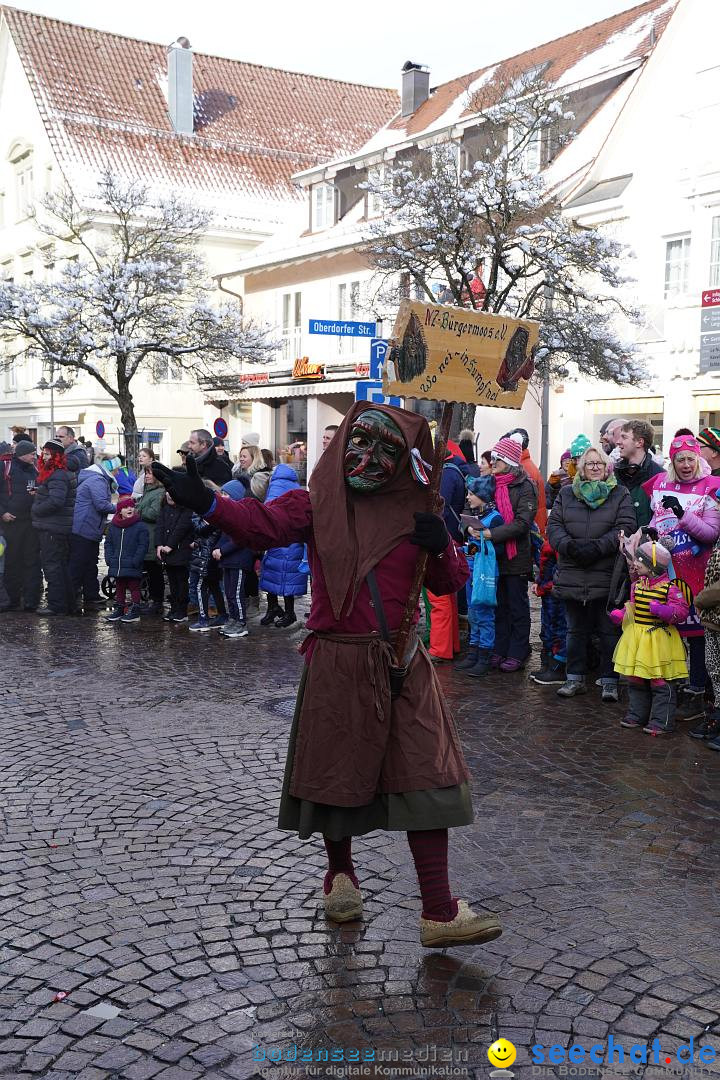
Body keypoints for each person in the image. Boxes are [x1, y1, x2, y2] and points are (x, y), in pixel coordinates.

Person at [152, 403, 502, 949]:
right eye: (360, 443)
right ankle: (340, 875)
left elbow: (447, 583)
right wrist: (205, 499)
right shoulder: (316, 503)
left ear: (404, 459)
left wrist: (442, 544)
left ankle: (439, 910)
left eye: (387, 449)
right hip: (338, 659)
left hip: (402, 660)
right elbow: (261, 526)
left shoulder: (422, 508)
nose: (370, 457)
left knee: (426, 775)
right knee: (338, 774)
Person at [546, 445, 636, 700]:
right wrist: (571, 546)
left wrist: (598, 548)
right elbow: (554, 527)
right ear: (581, 468)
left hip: (606, 572)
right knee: (575, 631)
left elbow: (626, 526)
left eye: (599, 463)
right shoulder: (566, 493)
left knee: (608, 631)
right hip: (573, 570)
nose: (595, 467)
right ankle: (574, 678)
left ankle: (609, 680)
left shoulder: (620, 493)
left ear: (607, 467)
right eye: (589, 463)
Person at [643, 433, 720, 722]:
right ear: (673, 462)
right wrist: (651, 532)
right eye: (680, 460)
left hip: (698, 573)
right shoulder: (661, 484)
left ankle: (698, 691)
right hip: (667, 572)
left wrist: (681, 514)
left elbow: (712, 533)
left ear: (698, 459)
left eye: (690, 458)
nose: (686, 464)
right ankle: (672, 685)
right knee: (670, 630)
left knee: (698, 637)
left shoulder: (711, 488)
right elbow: (656, 521)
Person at [610, 534, 689, 734]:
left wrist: (664, 611)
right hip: (638, 639)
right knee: (636, 677)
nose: (634, 564)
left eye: (639, 561)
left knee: (660, 681)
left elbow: (681, 611)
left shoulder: (670, 588)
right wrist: (623, 613)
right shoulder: (637, 585)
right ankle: (637, 714)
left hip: (659, 641)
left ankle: (662, 720)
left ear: (653, 565)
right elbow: (635, 606)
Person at [481, 433, 537, 672]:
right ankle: (500, 648)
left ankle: (518, 650)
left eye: (498, 460)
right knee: (500, 607)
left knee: (517, 607)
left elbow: (523, 523)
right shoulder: (491, 484)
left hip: (516, 557)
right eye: (493, 460)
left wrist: (493, 534)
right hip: (495, 557)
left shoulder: (525, 486)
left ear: (510, 463)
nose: (493, 464)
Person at [456, 475, 503, 677]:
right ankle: (473, 652)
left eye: (471, 494)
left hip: (484, 573)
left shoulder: (495, 518)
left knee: (484, 614)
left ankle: (485, 655)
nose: (468, 497)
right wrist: (467, 528)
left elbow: (499, 549)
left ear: (482, 496)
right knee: (473, 613)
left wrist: (482, 536)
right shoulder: (476, 517)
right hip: (471, 571)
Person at [426, 448, 467, 662]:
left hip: (442, 541)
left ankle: (440, 648)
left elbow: (437, 507)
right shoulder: (453, 471)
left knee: (439, 595)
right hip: (449, 538)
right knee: (447, 595)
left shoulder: (447, 474)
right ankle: (450, 644)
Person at [259, 464, 309, 629]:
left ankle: (282, 610)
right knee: (286, 576)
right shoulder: (296, 486)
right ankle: (282, 610)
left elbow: (268, 509)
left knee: (273, 573)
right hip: (293, 539)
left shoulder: (275, 485)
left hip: (278, 537)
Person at [31, 440, 78, 615]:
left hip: (53, 527)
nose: (44, 456)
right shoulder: (63, 472)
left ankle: (57, 605)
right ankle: (67, 604)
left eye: (48, 453)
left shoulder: (58, 474)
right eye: (44, 452)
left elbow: (56, 501)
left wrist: (36, 508)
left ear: (57, 456)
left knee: (53, 566)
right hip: (58, 526)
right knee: (61, 566)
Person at [68, 458, 116, 611]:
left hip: (87, 527)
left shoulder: (94, 478)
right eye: (117, 469)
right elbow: (101, 504)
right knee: (80, 563)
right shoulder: (97, 480)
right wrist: (121, 507)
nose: (119, 472)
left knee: (89, 563)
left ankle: (91, 594)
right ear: (110, 469)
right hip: (85, 528)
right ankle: (69, 597)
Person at [0, 440, 42, 612]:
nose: (34, 456)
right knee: (12, 560)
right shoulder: (6, 467)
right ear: (23, 454)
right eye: (32, 453)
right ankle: (12, 599)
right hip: (12, 522)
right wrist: (2, 513)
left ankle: (31, 600)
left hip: (31, 522)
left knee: (32, 561)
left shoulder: (34, 469)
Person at [212, 479, 253, 638]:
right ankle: (233, 618)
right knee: (229, 592)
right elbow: (223, 536)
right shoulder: (227, 515)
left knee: (236, 593)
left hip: (238, 560)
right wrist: (217, 548)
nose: (222, 496)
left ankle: (241, 622)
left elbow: (240, 539)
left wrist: (222, 550)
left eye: (225, 494)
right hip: (228, 560)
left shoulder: (240, 515)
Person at [104, 496, 150, 623]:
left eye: (131, 506)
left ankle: (135, 610)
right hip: (117, 563)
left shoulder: (140, 526)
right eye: (125, 507)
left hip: (132, 563)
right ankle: (120, 608)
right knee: (120, 586)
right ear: (120, 511)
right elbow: (108, 543)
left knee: (134, 586)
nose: (129, 509)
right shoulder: (114, 526)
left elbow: (143, 545)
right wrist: (109, 558)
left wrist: (136, 560)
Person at [693, 536, 720, 747]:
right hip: (713, 620)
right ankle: (716, 720)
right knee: (715, 673)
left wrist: (700, 599)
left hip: (714, 612)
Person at [530, 538, 568, 685]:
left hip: (556, 590)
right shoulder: (550, 537)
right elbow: (544, 567)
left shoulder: (561, 539)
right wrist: (538, 583)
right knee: (548, 627)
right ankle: (547, 663)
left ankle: (557, 666)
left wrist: (546, 585)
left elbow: (560, 568)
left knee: (559, 627)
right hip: (548, 591)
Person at [614, 420, 663, 528]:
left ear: (639, 442)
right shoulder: (613, 473)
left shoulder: (659, 476)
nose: (618, 442)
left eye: (624, 437)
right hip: (617, 541)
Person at [155, 489, 194, 622]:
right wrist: (159, 544)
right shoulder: (165, 508)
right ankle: (174, 608)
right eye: (168, 492)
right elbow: (159, 526)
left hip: (180, 550)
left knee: (181, 581)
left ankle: (182, 610)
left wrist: (170, 545)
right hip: (166, 552)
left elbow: (181, 528)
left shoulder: (186, 509)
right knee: (172, 581)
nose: (170, 495)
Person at [189, 502, 228, 632]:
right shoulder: (203, 514)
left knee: (204, 586)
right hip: (205, 555)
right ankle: (221, 616)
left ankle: (204, 619)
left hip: (208, 557)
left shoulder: (216, 515)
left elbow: (203, 530)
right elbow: (200, 531)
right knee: (211, 586)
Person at [502, 427, 547, 535]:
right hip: (533, 523)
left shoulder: (523, 469)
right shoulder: (526, 465)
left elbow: (526, 509)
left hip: (530, 528)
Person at [135, 471, 166, 616]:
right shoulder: (148, 491)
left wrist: (139, 511)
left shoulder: (159, 492)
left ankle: (157, 601)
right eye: (146, 473)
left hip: (152, 536)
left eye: (150, 474)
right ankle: (153, 600)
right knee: (149, 569)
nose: (146, 476)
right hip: (145, 535)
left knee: (155, 571)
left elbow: (154, 513)